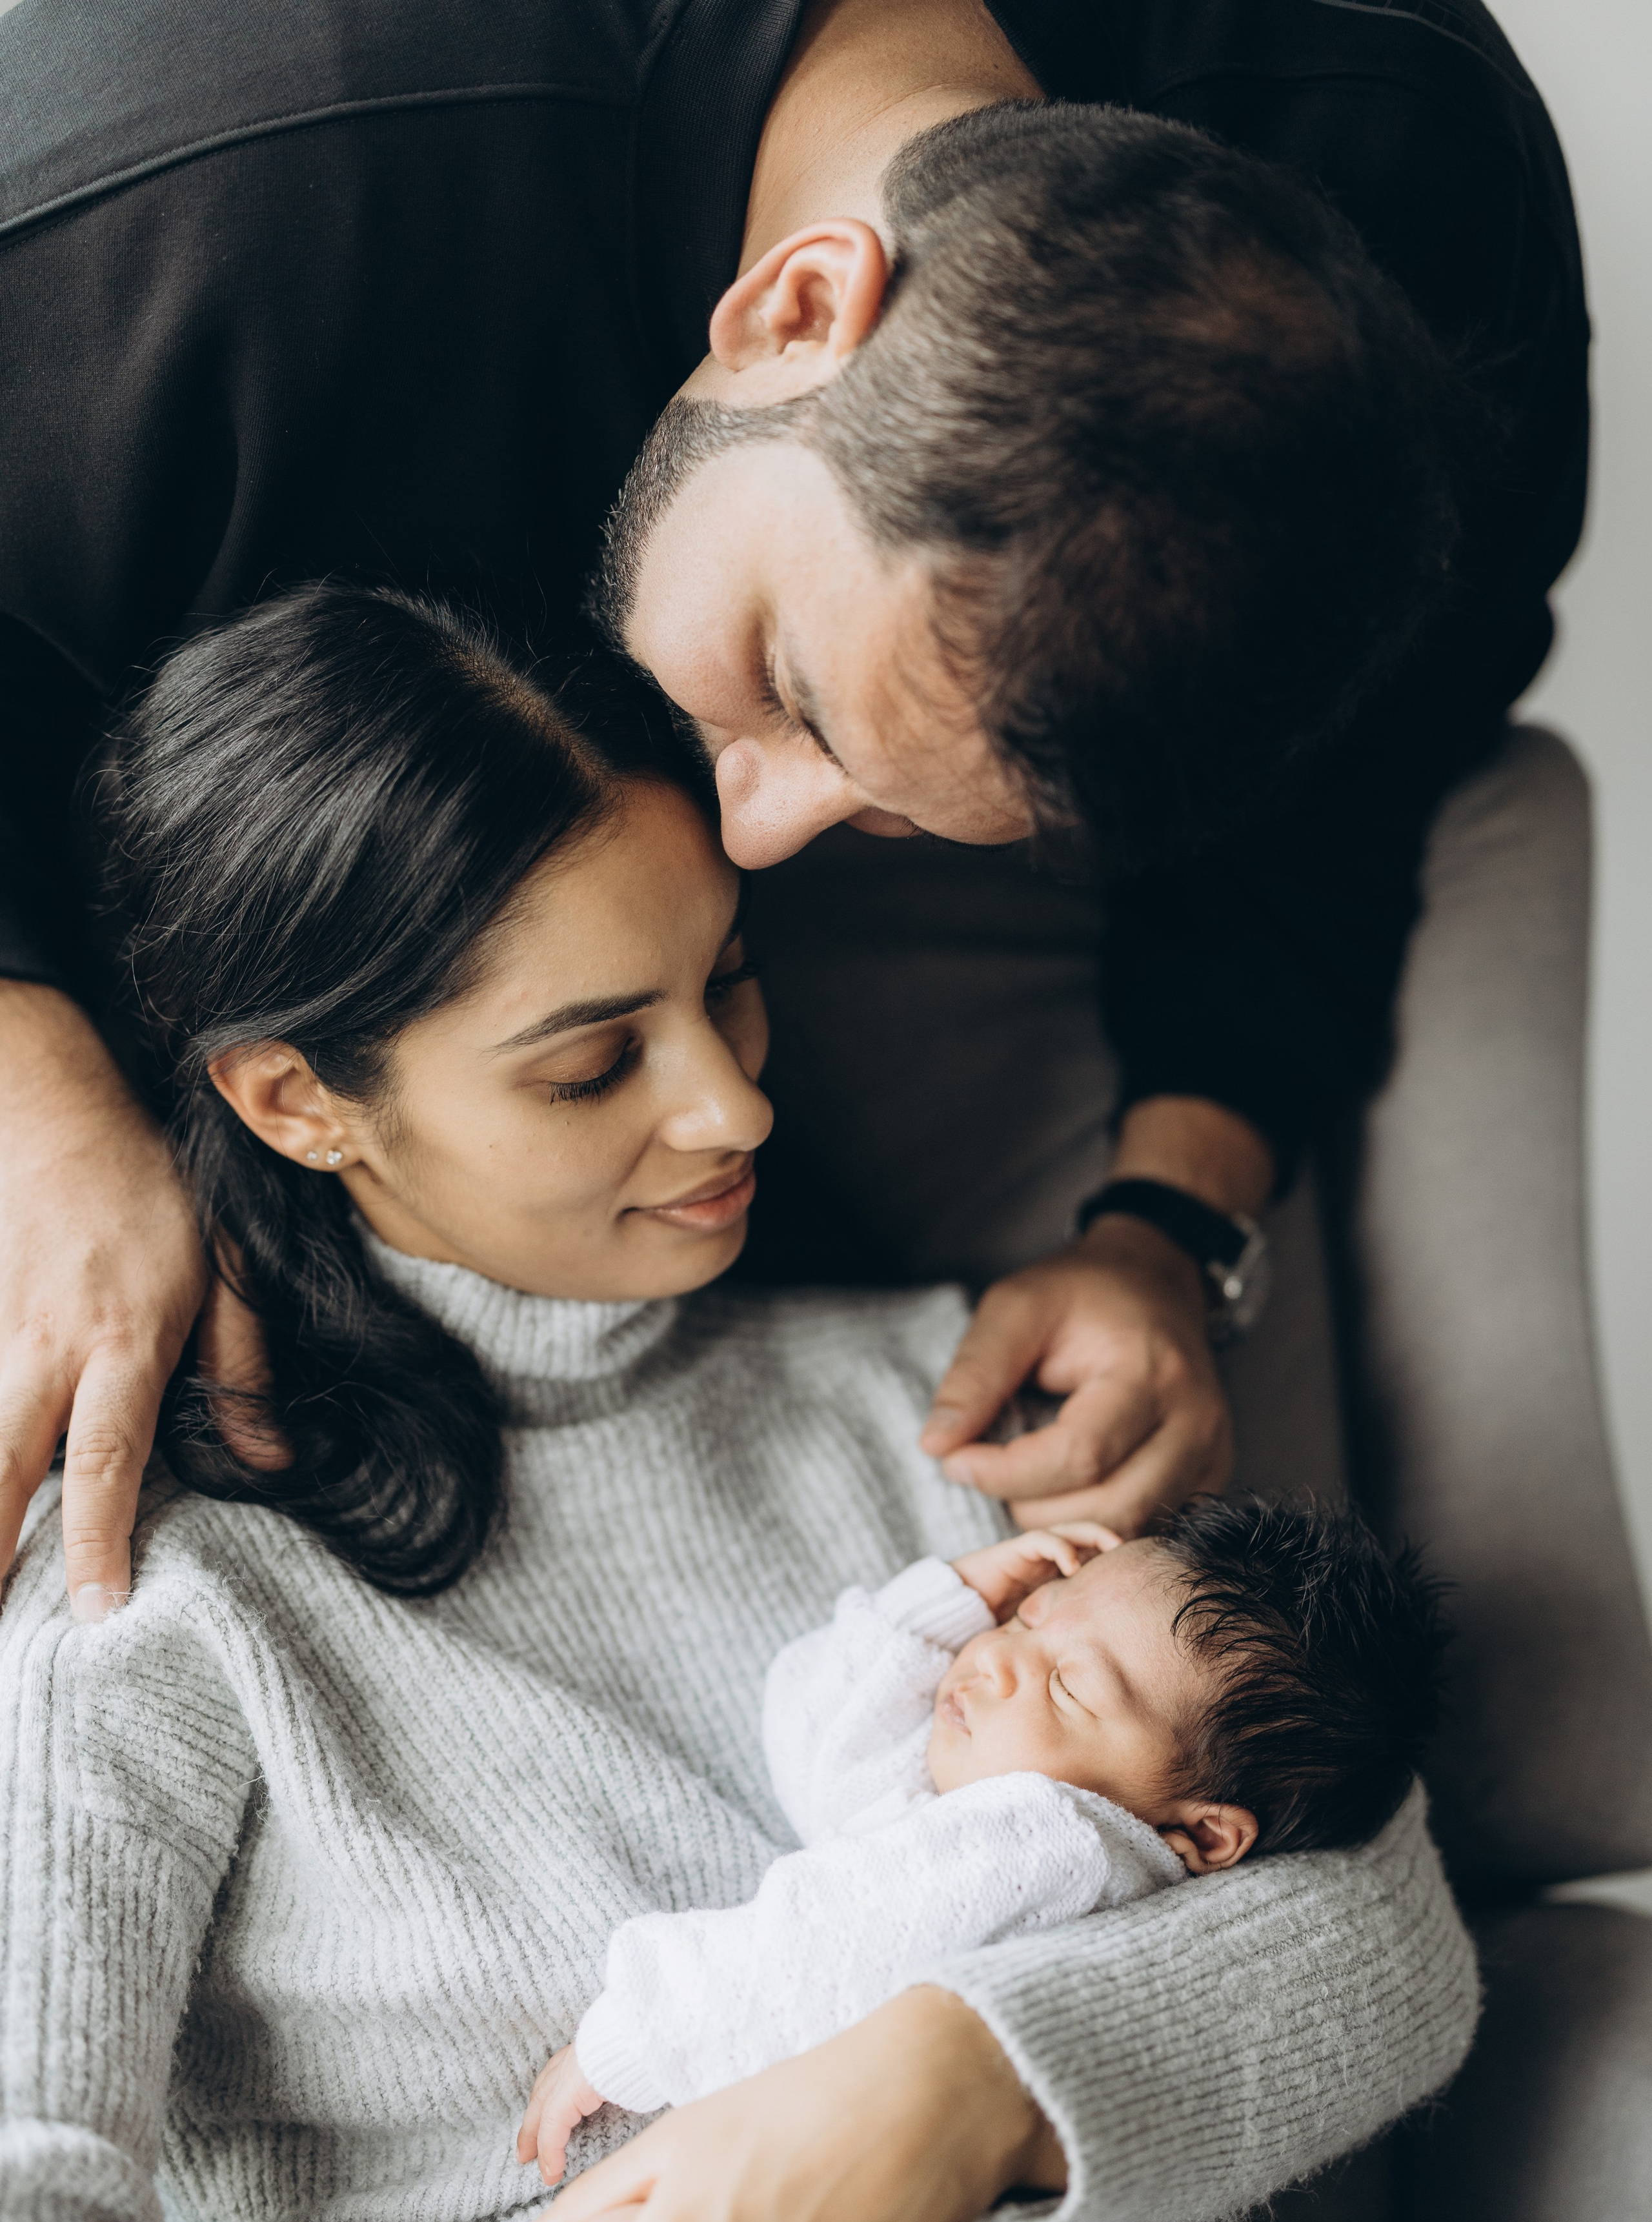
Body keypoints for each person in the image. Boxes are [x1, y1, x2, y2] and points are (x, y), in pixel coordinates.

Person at [0, 584, 1475, 2222]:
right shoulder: (153, 1572)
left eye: (733, 982)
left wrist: (953, 2090)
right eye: (593, 1061)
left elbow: (1394, 1934)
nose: (732, 1101)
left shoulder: (949, 1405)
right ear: (301, 1101)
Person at [0, 0, 1584, 1601]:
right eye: (793, 689)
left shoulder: (1420, 222)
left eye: (897, 803)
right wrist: (43, 1103)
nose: (754, 838)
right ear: (798, 305)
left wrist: (1167, 1226)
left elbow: (1349, 792)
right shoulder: (195, 200)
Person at [379, 1500, 1443, 2222]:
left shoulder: (1046, 1842)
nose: (993, 1662)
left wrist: (633, 2035)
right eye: (1030, 1616)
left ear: (1202, 1833)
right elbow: (822, 1754)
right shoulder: (1027, 1816)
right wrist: (946, 1609)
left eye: (1071, 1685)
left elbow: (815, 1946)